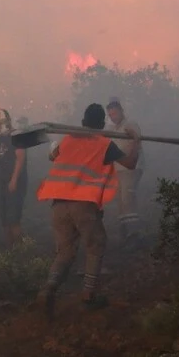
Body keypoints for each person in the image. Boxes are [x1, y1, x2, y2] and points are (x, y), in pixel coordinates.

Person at [36, 102, 139, 320]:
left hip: (58, 203)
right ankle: (89, 296)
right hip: (82, 204)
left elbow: (53, 157)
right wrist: (136, 140)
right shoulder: (104, 143)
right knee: (96, 244)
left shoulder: (68, 139)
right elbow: (130, 163)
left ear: (83, 122)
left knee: (64, 252)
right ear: (102, 124)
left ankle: (48, 289)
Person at [0, 108, 28, 248]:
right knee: (5, 220)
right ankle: (10, 252)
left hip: (16, 182)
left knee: (14, 219)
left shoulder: (16, 135)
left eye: (1, 122)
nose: (0, 125)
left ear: (8, 121)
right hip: (3, 182)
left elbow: (20, 158)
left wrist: (14, 179)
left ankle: (23, 252)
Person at [105, 97, 145, 244]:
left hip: (131, 168)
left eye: (114, 114)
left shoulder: (130, 125)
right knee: (121, 200)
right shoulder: (111, 129)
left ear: (121, 111)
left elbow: (136, 141)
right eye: (110, 115)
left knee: (127, 198)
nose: (113, 117)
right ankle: (125, 231)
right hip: (119, 169)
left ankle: (135, 233)